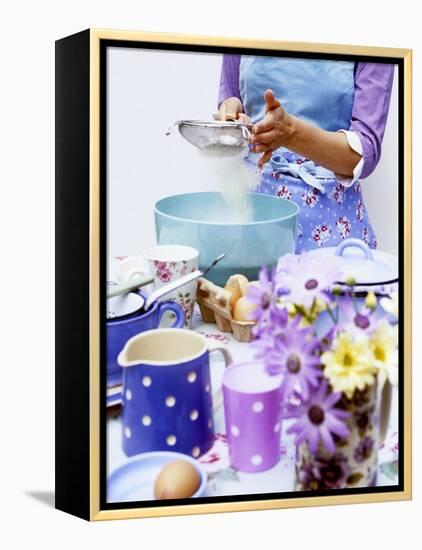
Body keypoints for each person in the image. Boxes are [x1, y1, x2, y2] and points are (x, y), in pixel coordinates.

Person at [216, 55, 394, 251]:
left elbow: (365, 154)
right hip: (252, 216)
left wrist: (292, 134)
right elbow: (232, 97)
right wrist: (231, 114)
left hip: (331, 224)